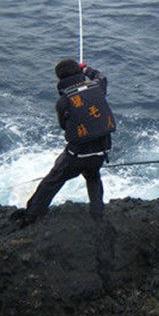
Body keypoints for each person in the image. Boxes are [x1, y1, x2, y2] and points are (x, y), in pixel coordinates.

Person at [22, 59, 116, 224]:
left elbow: (64, 126)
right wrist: (86, 69)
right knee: (93, 178)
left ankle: (31, 216)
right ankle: (97, 216)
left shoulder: (63, 102)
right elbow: (101, 76)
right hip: (101, 151)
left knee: (51, 182)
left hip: (77, 155)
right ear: (79, 73)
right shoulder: (98, 87)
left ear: (60, 79)